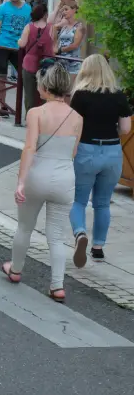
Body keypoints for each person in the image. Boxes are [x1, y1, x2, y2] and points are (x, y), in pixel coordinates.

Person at [3, 62, 82, 303]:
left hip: (38, 175)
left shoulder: (36, 113)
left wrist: (20, 182)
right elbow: (73, 152)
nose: (37, 87)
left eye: (38, 83)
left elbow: (29, 148)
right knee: (56, 235)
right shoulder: (78, 117)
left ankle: (16, 269)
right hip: (65, 177)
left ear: (46, 86)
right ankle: (57, 285)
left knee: (25, 226)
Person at [69, 54, 132, 263]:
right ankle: (98, 248)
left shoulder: (80, 95)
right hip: (112, 152)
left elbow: (73, 127)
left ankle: (80, 233)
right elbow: (125, 129)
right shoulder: (118, 95)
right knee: (103, 204)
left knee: (78, 200)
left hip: (87, 150)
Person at [17, 3, 55, 113]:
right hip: (47, 65)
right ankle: (43, 117)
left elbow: (22, 44)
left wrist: (18, 41)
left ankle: (30, 117)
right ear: (45, 14)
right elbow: (55, 47)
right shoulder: (51, 28)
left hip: (29, 64)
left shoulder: (28, 27)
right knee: (45, 93)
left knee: (29, 94)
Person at [51, 2, 84, 74]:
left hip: (72, 65)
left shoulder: (79, 26)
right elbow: (57, 42)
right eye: (63, 10)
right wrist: (55, 28)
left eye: (66, 9)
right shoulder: (64, 26)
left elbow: (75, 45)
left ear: (74, 10)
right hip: (60, 64)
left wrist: (60, 50)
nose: (63, 12)